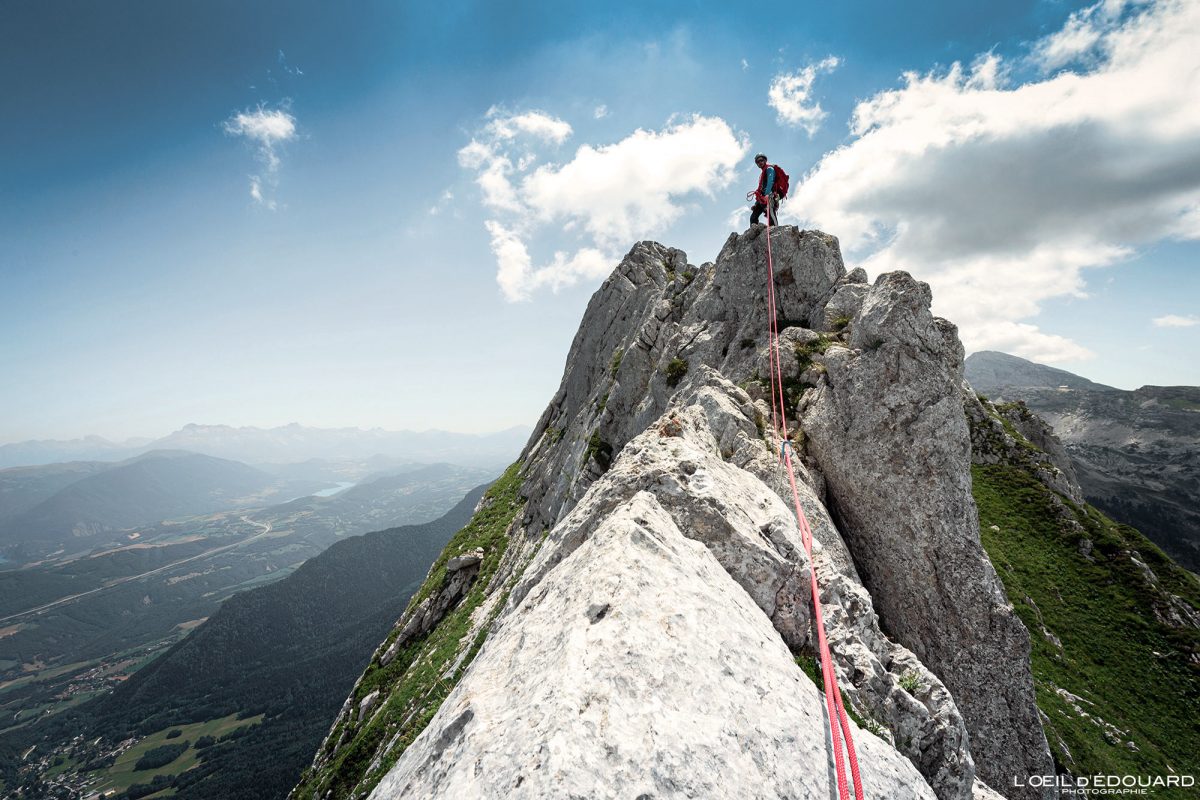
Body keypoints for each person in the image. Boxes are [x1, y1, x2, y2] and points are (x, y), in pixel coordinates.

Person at [749, 153, 779, 226]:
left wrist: (767, 194)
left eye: (761, 160)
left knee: (770, 215)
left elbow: (770, 182)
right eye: (757, 162)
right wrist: (756, 204)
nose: (759, 163)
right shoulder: (762, 173)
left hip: (769, 196)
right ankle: (754, 232)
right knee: (753, 218)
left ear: (765, 160)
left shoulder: (769, 169)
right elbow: (760, 189)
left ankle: (775, 230)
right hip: (761, 198)